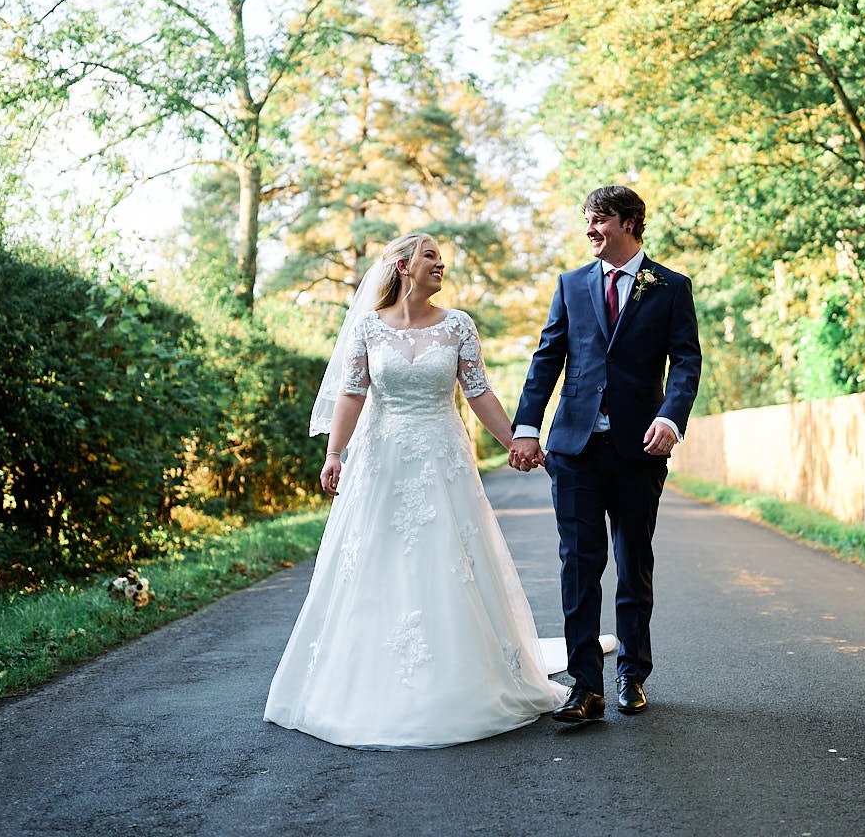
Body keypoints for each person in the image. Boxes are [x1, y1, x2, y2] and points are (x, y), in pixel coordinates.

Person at [264, 233, 569, 748]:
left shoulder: (458, 325)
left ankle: (463, 675)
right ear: (403, 266)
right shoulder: (367, 328)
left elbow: (478, 393)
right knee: (377, 560)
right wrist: (334, 453)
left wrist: (518, 441)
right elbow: (351, 394)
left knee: (447, 559)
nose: (440, 265)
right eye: (431, 256)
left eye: (441, 259)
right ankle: (365, 679)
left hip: (441, 458)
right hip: (381, 460)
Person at [509, 185, 702, 723]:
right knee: (578, 564)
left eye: (599, 220)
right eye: (587, 221)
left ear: (630, 223)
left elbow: (686, 362)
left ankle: (632, 674)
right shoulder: (570, 285)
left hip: (639, 448)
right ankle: (584, 686)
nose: (590, 230)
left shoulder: (669, 287)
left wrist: (670, 417)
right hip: (574, 448)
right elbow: (547, 358)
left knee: (633, 561)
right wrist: (527, 427)